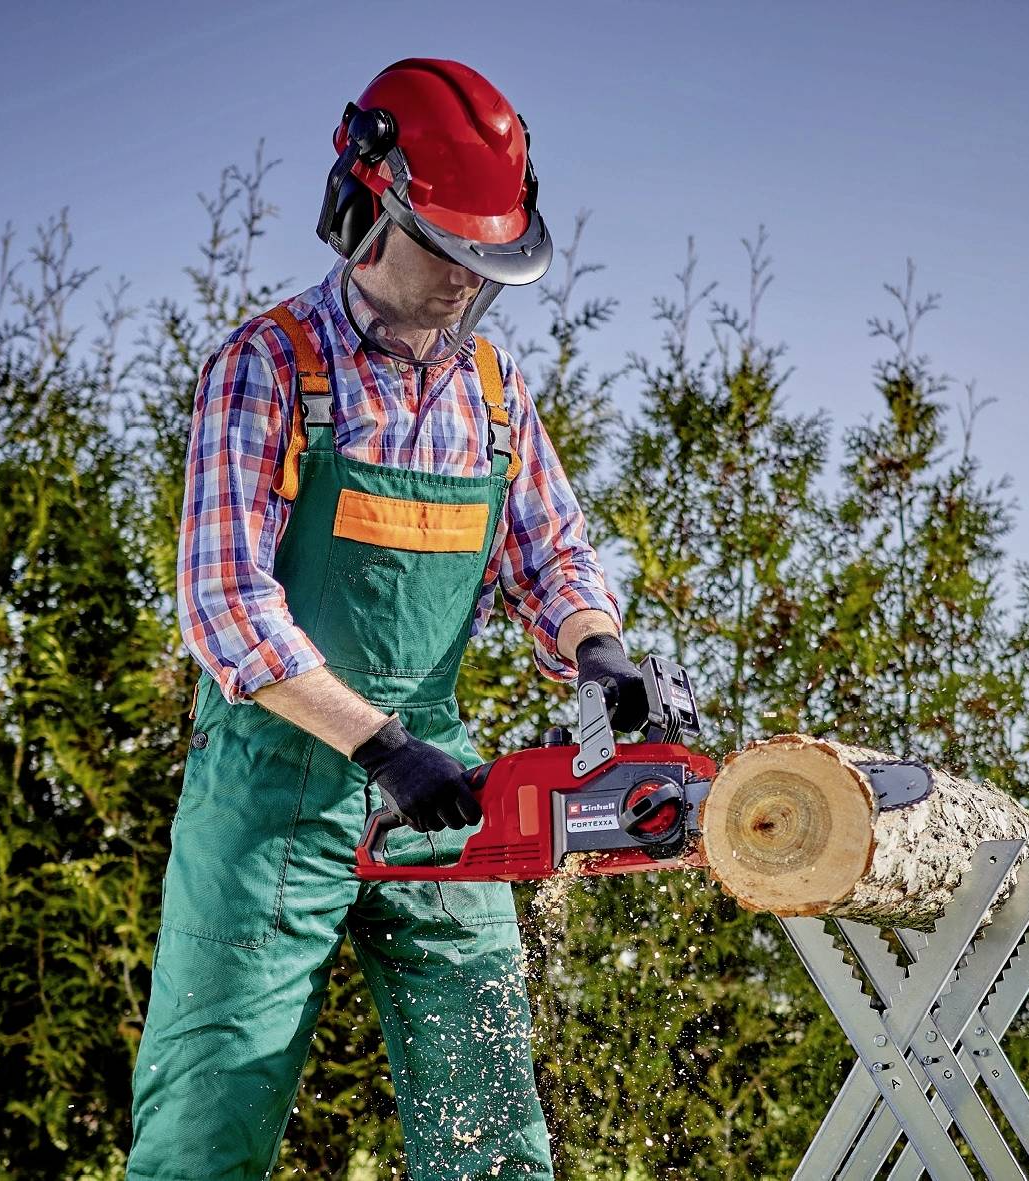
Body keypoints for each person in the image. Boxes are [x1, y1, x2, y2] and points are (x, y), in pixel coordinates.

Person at [126, 58, 649, 1180]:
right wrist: (376, 741)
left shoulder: (495, 390)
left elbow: (551, 551)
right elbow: (226, 606)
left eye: (487, 261)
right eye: (447, 250)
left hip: (438, 791)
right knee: (206, 1125)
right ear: (362, 213)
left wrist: (595, 646)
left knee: (492, 1128)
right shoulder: (269, 368)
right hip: (275, 792)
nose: (468, 281)